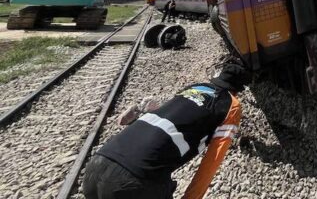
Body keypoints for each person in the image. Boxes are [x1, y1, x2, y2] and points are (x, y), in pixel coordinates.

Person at [82, 61, 250, 199]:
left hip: (96, 166)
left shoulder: (195, 87)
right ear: (237, 90)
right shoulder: (232, 106)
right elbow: (212, 160)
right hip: (134, 182)